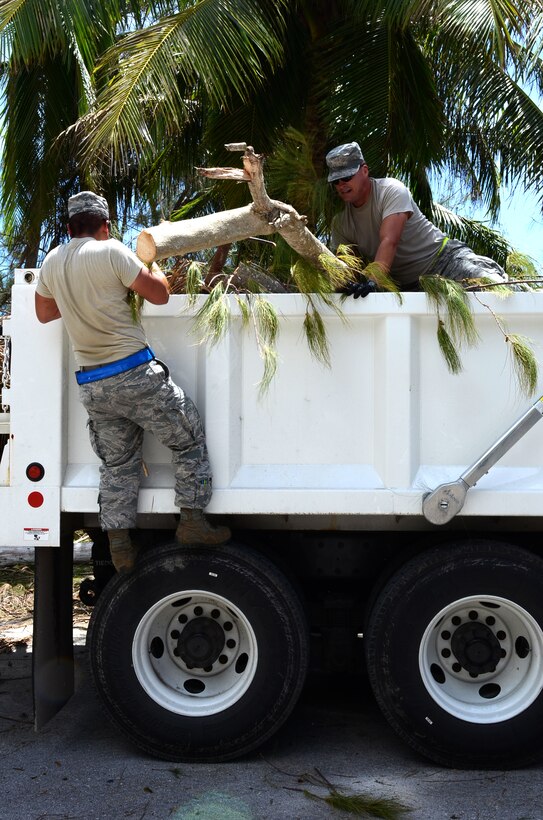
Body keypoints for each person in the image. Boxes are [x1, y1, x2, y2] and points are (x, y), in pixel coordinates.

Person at [35, 191, 230, 572]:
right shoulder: (111, 252)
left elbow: (44, 313)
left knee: (118, 464)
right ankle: (191, 521)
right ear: (104, 226)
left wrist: (80, 296)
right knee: (187, 438)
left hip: (93, 384)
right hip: (134, 375)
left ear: (70, 226)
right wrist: (149, 263)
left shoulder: (53, 261)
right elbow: (158, 295)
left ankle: (120, 545)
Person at [325, 142, 510, 293]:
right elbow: (348, 269)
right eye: (336, 181)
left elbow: (389, 241)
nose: (341, 185)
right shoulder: (341, 224)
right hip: (407, 287)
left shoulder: (390, 190)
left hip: (445, 263)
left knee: (496, 289)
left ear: (364, 170)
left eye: (347, 177)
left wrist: (372, 282)